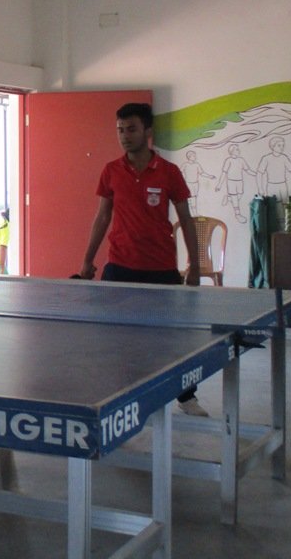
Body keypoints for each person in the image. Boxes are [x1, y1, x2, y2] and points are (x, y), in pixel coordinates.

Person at [77, 102, 208, 417]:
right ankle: (119, 393)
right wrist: (87, 260)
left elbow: (186, 219)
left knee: (172, 338)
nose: (124, 136)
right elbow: (102, 217)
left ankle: (186, 396)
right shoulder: (111, 170)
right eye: (120, 130)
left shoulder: (169, 172)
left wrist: (195, 266)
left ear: (147, 131)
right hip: (119, 266)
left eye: (131, 129)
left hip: (161, 268)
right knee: (115, 338)